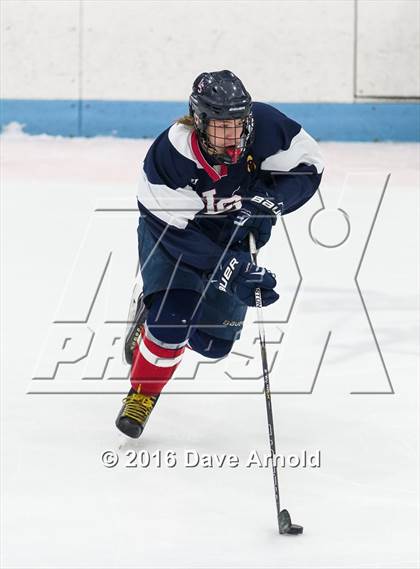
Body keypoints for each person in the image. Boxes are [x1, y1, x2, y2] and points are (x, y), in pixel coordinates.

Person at [116, 70, 324, 438]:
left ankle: (150, 317)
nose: (233, 135)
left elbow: (308, 169)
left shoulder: (267, 126)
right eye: (221, 126)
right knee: (172, 319)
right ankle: (143, 392)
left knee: (214, 347)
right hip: (174, 237)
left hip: (232, 237)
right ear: (199, 121)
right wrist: (233, 271)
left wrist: (268, 202)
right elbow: (172, 228)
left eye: (238, 124)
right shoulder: (171, 154)